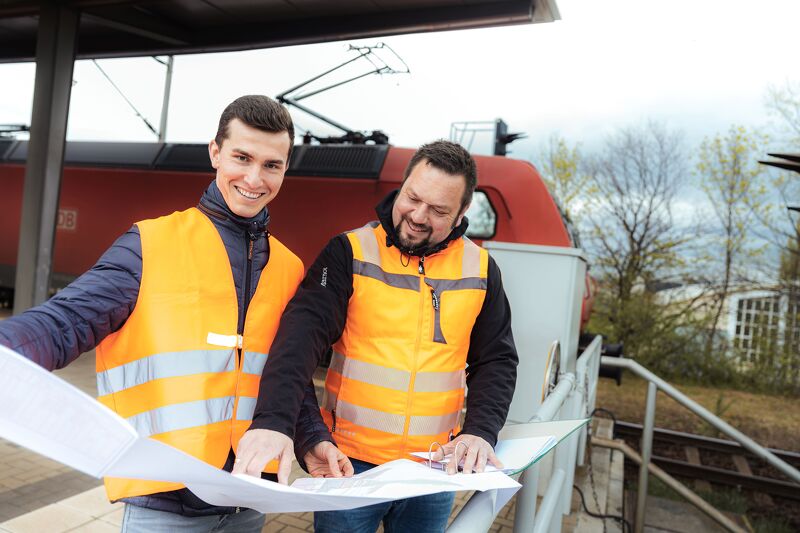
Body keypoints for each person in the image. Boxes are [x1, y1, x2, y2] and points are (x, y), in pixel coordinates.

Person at [0, 95, 346, 532]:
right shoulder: (150, 244)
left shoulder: (289, 266)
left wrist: (312, 437)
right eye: (242, 157)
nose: (254, 178)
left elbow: (286, 374)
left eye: (272, 165)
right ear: (215, 153)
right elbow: (64, 322)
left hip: (248, 497)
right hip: (165, 504)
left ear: (284, 169)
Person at [235, 140, 519, 532]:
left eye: (438, 210)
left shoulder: (482, 269)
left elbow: (496, 360)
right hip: (349, 467)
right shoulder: (348, 252)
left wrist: (481, 432)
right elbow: (298, 343)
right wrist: (286, 427)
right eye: (412, 198)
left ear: (462, 212)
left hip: (433, 468)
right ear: (402, 186)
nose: (418, 216)